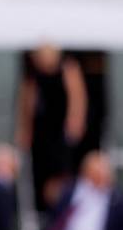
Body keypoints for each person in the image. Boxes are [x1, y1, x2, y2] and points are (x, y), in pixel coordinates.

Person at [15, 43, 88, 211]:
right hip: (42, 130)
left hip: (60, 130)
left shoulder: (68, 68)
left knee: (60, 174)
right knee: (41, 171)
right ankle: (44, 210)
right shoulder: (33, 75)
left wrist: (75, 122)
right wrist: (25, 130)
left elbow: (77, 97)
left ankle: (60, 210)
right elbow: (26, 104)